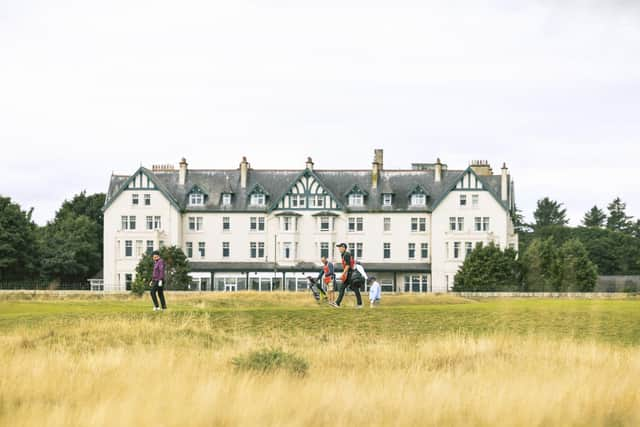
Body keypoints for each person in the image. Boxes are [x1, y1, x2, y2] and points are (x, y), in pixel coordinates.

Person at [332, 243, 363, 308]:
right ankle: (337, 303)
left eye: (340, 247)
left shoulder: (346, 254)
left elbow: (348, 265)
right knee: (342, 288)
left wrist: (343, 274)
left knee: (355, 288)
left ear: (343, 247)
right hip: (348, 274)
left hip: (350, 274)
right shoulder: (343, 254)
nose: (339, 249)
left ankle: (360, 304)